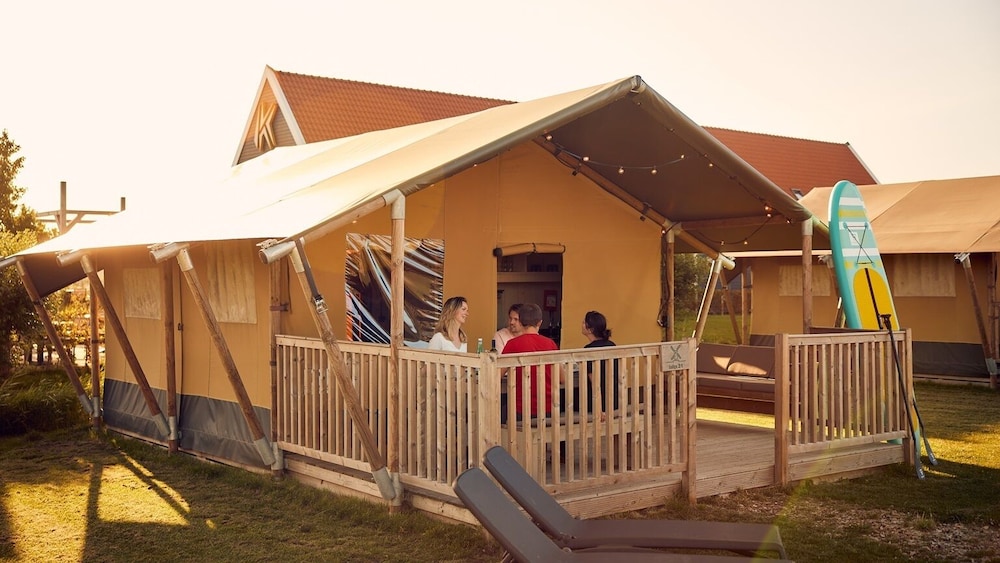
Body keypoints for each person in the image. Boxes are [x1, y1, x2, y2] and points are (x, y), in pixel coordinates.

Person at [501, 303, 558, 421]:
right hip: (548, 410)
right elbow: (562, 378)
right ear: (540, 323)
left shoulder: (512, 344)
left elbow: (497, 375)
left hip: (519, 409)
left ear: (520, 322)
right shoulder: (550, 344)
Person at [582, 310, 619, 414]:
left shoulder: (588, 350)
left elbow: (594, 382)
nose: (582, 324)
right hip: (614, 400)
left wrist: (599, 408)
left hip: (596, 404)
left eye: (584, 323)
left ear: (590, 329)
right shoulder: (612, 345)